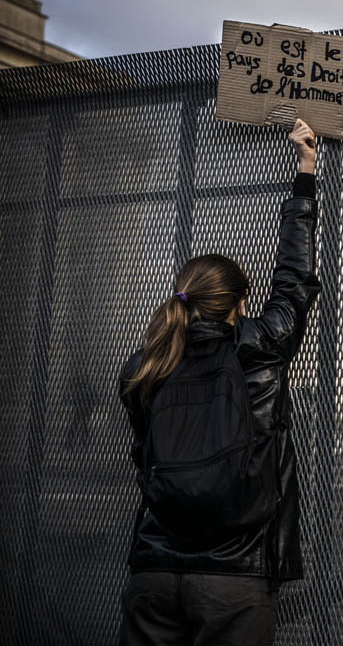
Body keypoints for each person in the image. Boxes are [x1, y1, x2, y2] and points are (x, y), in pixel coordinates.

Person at [116, 119, 321, 646]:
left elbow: (146, 457)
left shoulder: (146, 367)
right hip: (236, 574)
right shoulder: (259, 346)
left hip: (154, 571)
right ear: (239, 306)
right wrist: (305, 169)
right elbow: (294, 280)